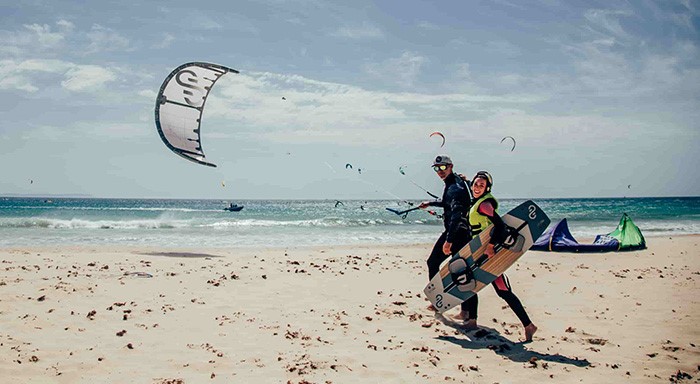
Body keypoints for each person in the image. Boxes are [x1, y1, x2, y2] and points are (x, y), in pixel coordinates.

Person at [457, 171, 537, 341]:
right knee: (477, 285)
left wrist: (491, 246)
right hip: (479, 251)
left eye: (481, 185)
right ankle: (472, 321)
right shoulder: (477, 201)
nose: (477, 187)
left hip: (488, 254)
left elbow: (500, 226)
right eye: (475, 184)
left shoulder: (484, 204)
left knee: (502, 290)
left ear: (487, 188)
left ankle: (528, 325)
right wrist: (463, 179)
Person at [418, 155, 472, 314]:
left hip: (455, 232)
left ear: (451, 166)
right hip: (462, 232)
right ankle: (466, 311)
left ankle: (437, 301)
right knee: (460, 270)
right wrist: (430, 204)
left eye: (443, 168)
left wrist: (448, 241)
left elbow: (456, 214)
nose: (440, 171)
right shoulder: (455, 183)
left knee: (432, 263)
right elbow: (449, 202)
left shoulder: (454, 186)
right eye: (437, 168)